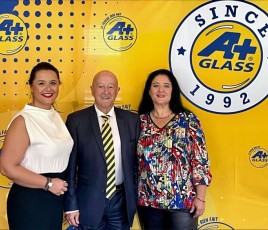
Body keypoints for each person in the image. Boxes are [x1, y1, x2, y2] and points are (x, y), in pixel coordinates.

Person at [0, 62, 74, 230]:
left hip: (54, 199)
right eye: (41, 83)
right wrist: (47, 183)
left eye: (53, 83)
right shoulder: (23, 120)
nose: (48, 88)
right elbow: (6, 167)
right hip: (31, 200)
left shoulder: (54, 116)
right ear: (31, 86)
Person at [64, 70, 140, 230]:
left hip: (121, 202)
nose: (106, 92)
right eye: (100, 86)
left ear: (117, 90)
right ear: (92, 89)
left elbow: (135, 165)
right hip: (88, 203)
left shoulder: (132, 120)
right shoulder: (76, 121)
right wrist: (71, 205)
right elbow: (70, 168)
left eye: (110, 87)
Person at [137, 69, 212, 230]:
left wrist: (201, 197)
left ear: (173, 91)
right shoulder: (139, 122)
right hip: (149, 203)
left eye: (166, 86)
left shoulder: (188, 119)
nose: (161, 90)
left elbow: (200, 161)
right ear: (149, 91)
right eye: (156, 85)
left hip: (182, 203)